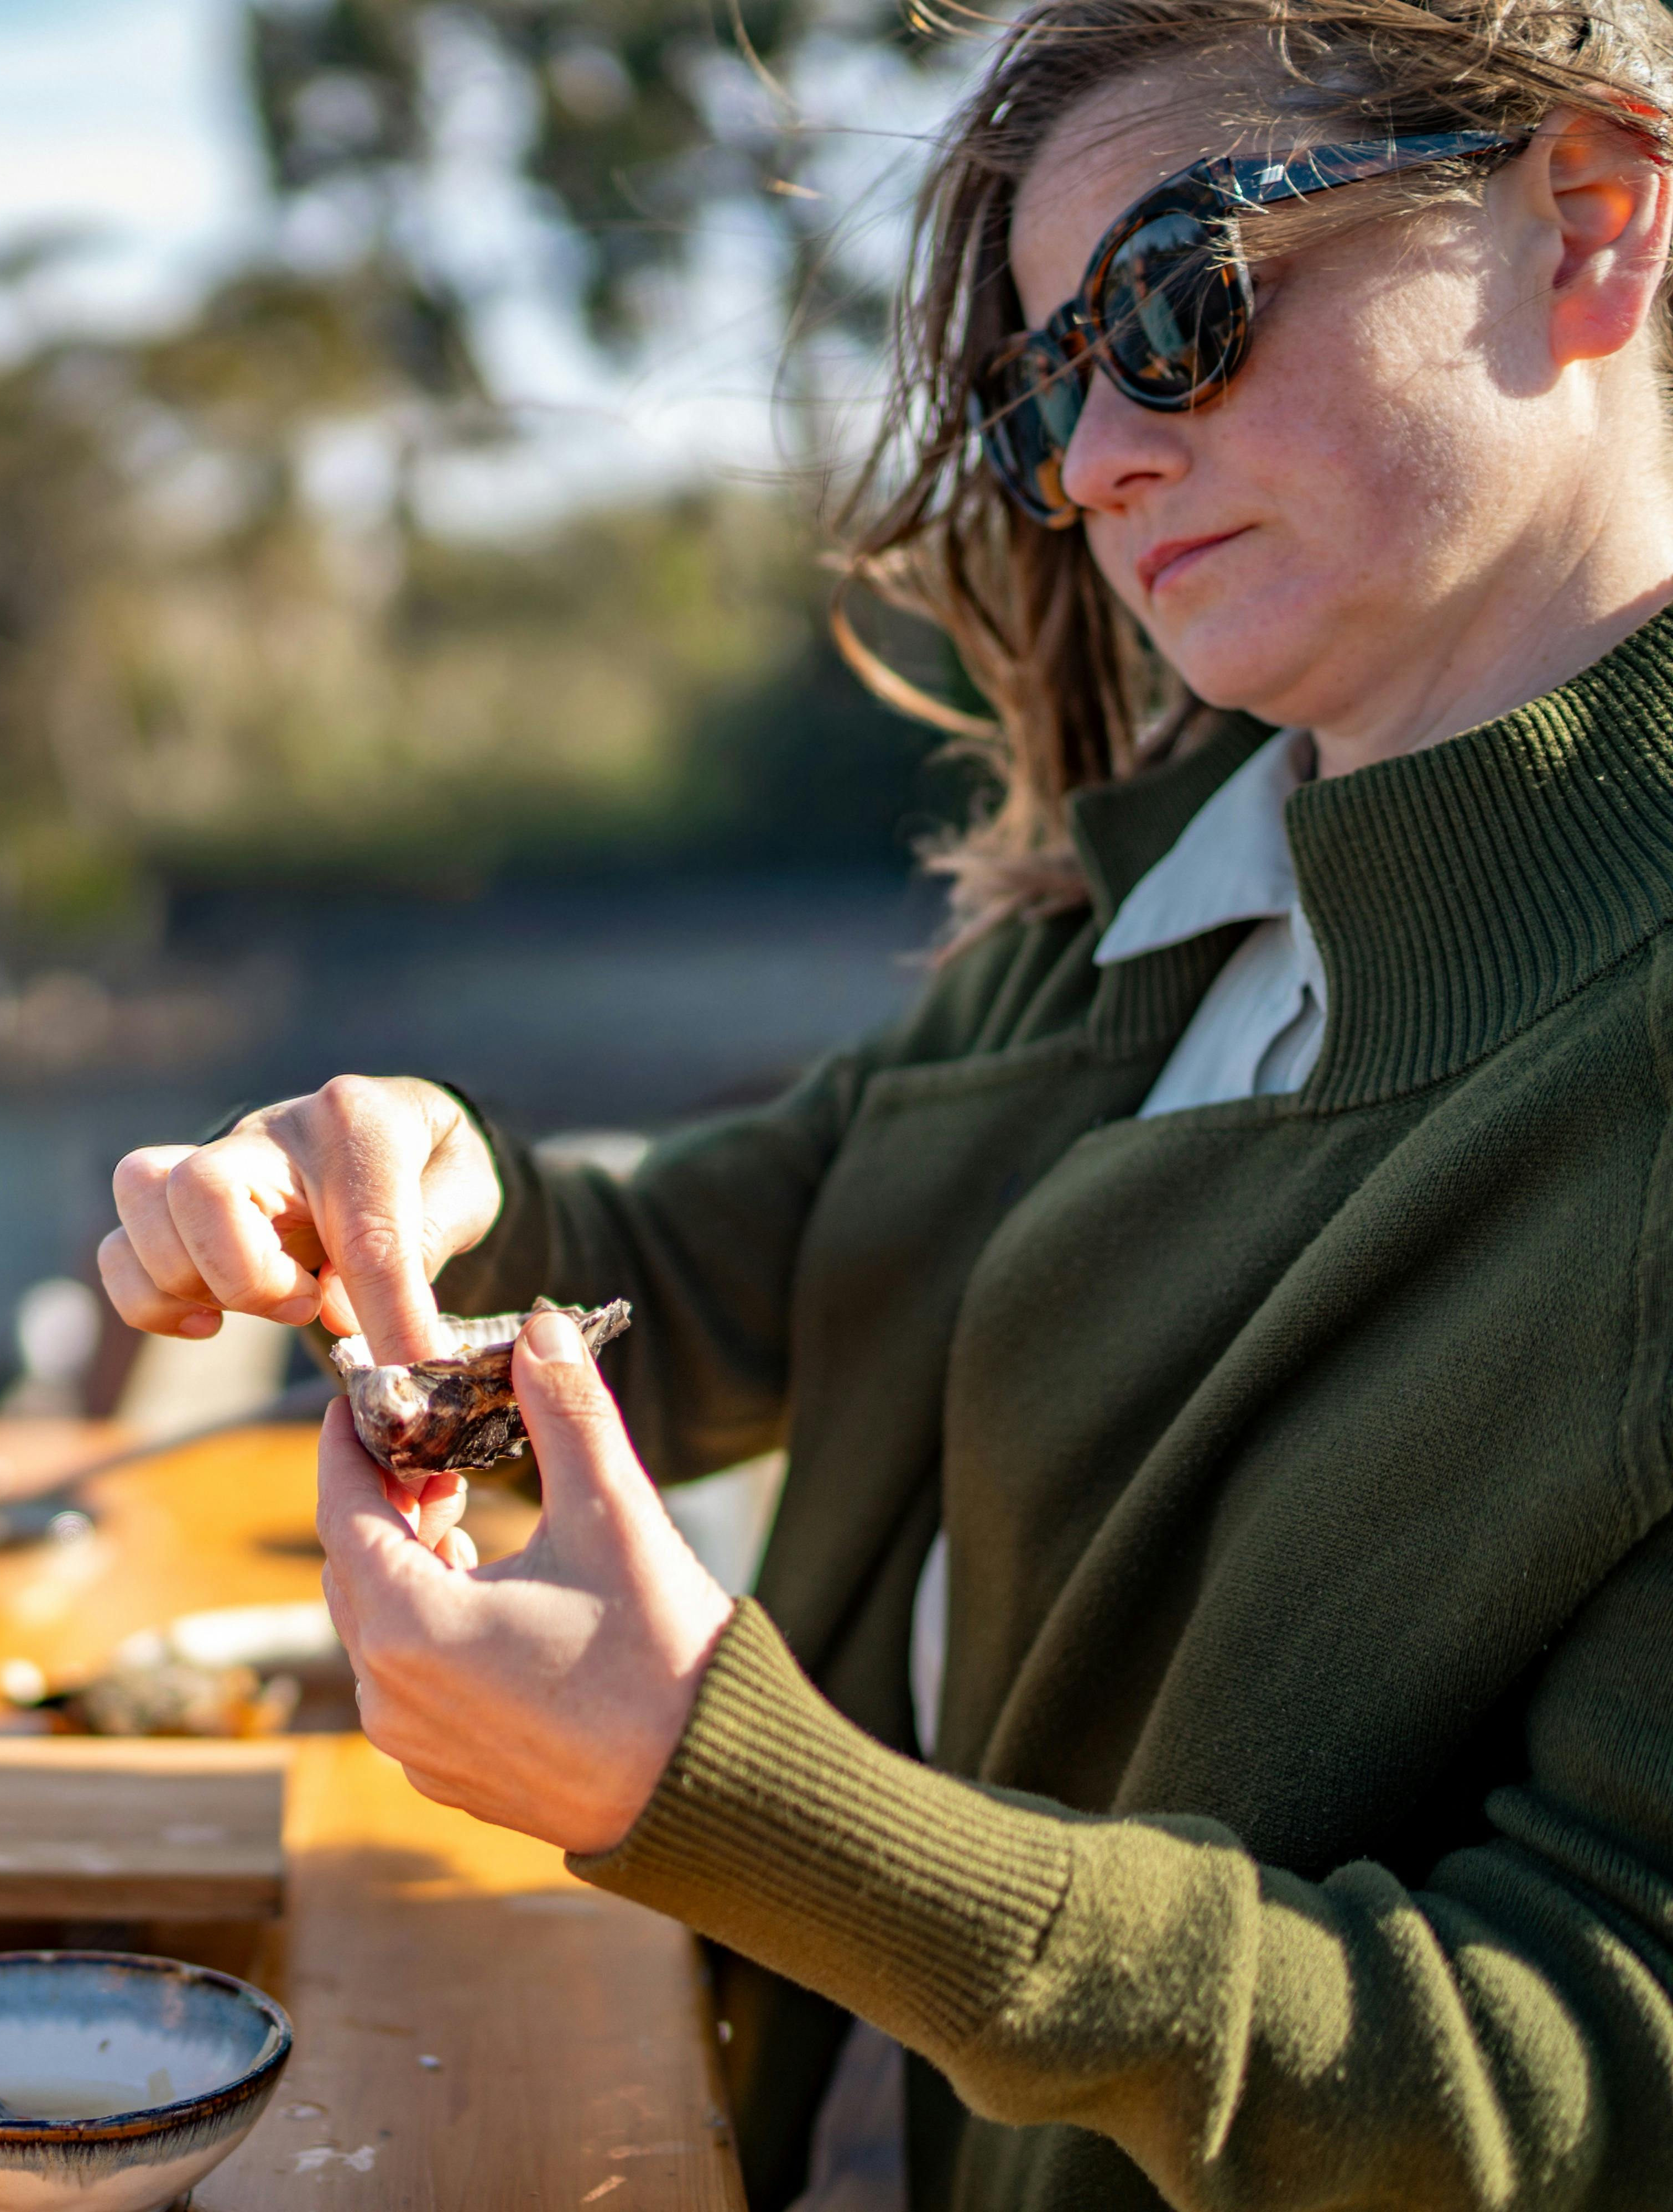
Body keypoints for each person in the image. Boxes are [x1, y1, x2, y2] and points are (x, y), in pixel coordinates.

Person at [105, 0, 1673, 2204]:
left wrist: (726, 1791)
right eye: (1049, 386)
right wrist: (411, 1193)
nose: (1099, 459)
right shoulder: (1121, 924)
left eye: (1175, 306)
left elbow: (1582, 2069)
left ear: (1591, 225)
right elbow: (718, 1274)